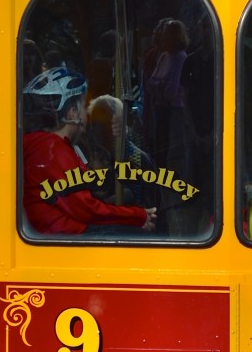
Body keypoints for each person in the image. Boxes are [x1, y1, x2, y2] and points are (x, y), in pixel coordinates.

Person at [22, 67, 157, 235]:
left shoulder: (45, 145)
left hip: (59, 232)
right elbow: (86, 209)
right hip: (65, 237)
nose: (87, 114)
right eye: (84, 108)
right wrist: (138, 216)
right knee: (139, 237)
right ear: (72, 114)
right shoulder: (54, 151)